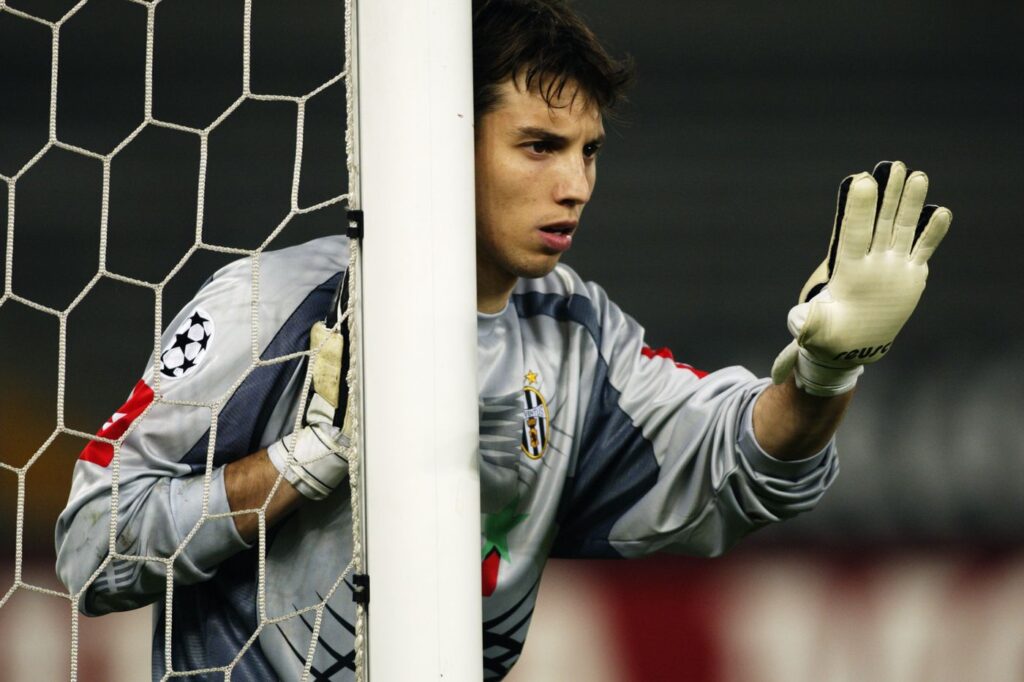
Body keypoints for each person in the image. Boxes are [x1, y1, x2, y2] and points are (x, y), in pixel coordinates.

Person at [55, 0, 952, 680]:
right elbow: (92, 546)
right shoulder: (272, 303)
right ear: (443, 135)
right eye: (538, 146)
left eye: (589, 151)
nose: (576, 186)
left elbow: (741, 465)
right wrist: (299, 464)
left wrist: (828, 373)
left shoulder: (577, 335)